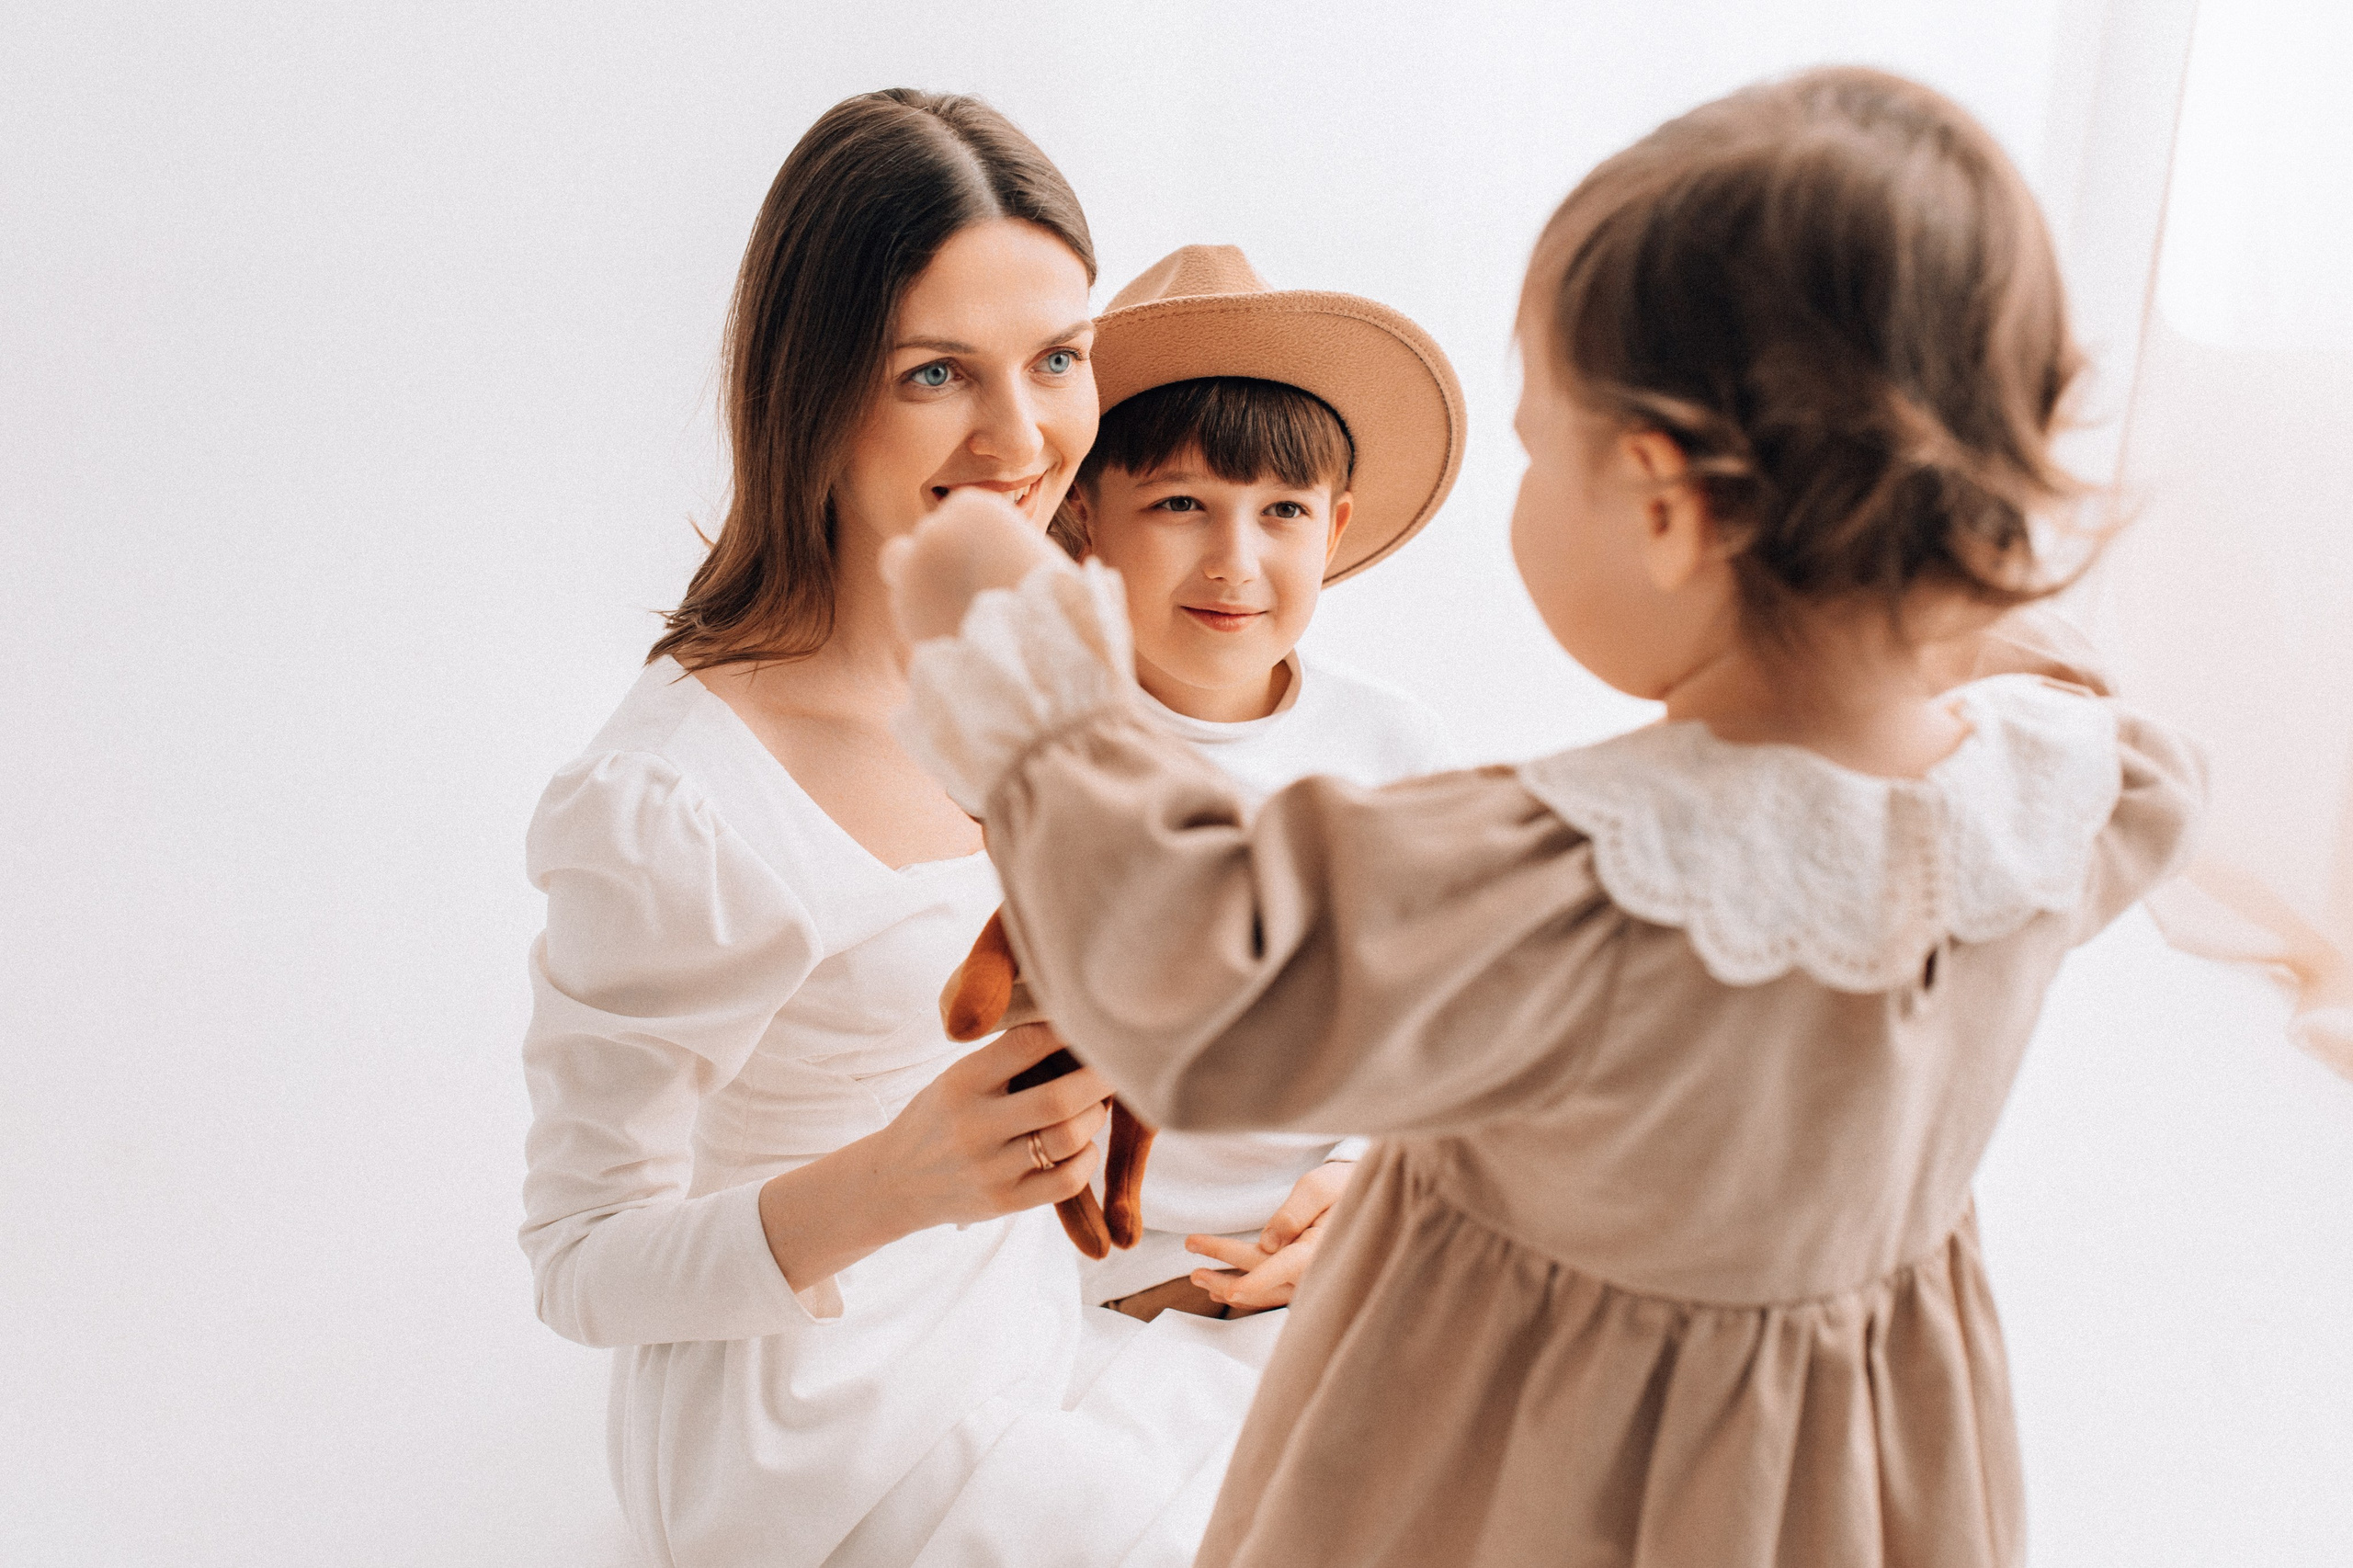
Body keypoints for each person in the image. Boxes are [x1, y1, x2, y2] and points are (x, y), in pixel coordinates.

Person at [881, 67, 2206, 1567]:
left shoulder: (1577, 880)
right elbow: (2067, 689)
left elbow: (1202, 974)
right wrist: (1890, 571)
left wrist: (1023, 663)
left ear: (1658, 503)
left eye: (1534, 446)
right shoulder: (2068, 791)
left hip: (1534, 1488)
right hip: (1839, 1492)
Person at [517, 89, 1269, 1568]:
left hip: (1028, 1336)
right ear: (813, 389)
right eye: (937, 373)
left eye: (1057, 358)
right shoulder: (679, 801)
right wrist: (895, 1180)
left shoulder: (1027, 653)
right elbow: (578, 1260)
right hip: (823, 1447)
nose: (1022, 437)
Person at [1042, 244, 1464, 1320]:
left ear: (1336, 526)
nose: (1235, 559)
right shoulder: (1035, 748)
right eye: (1181, 502)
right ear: (1086, 513)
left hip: (1339, 1241)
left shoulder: (1391, 745)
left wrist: (1359, 1179)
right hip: (1085, 1266)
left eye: (1283, 510)